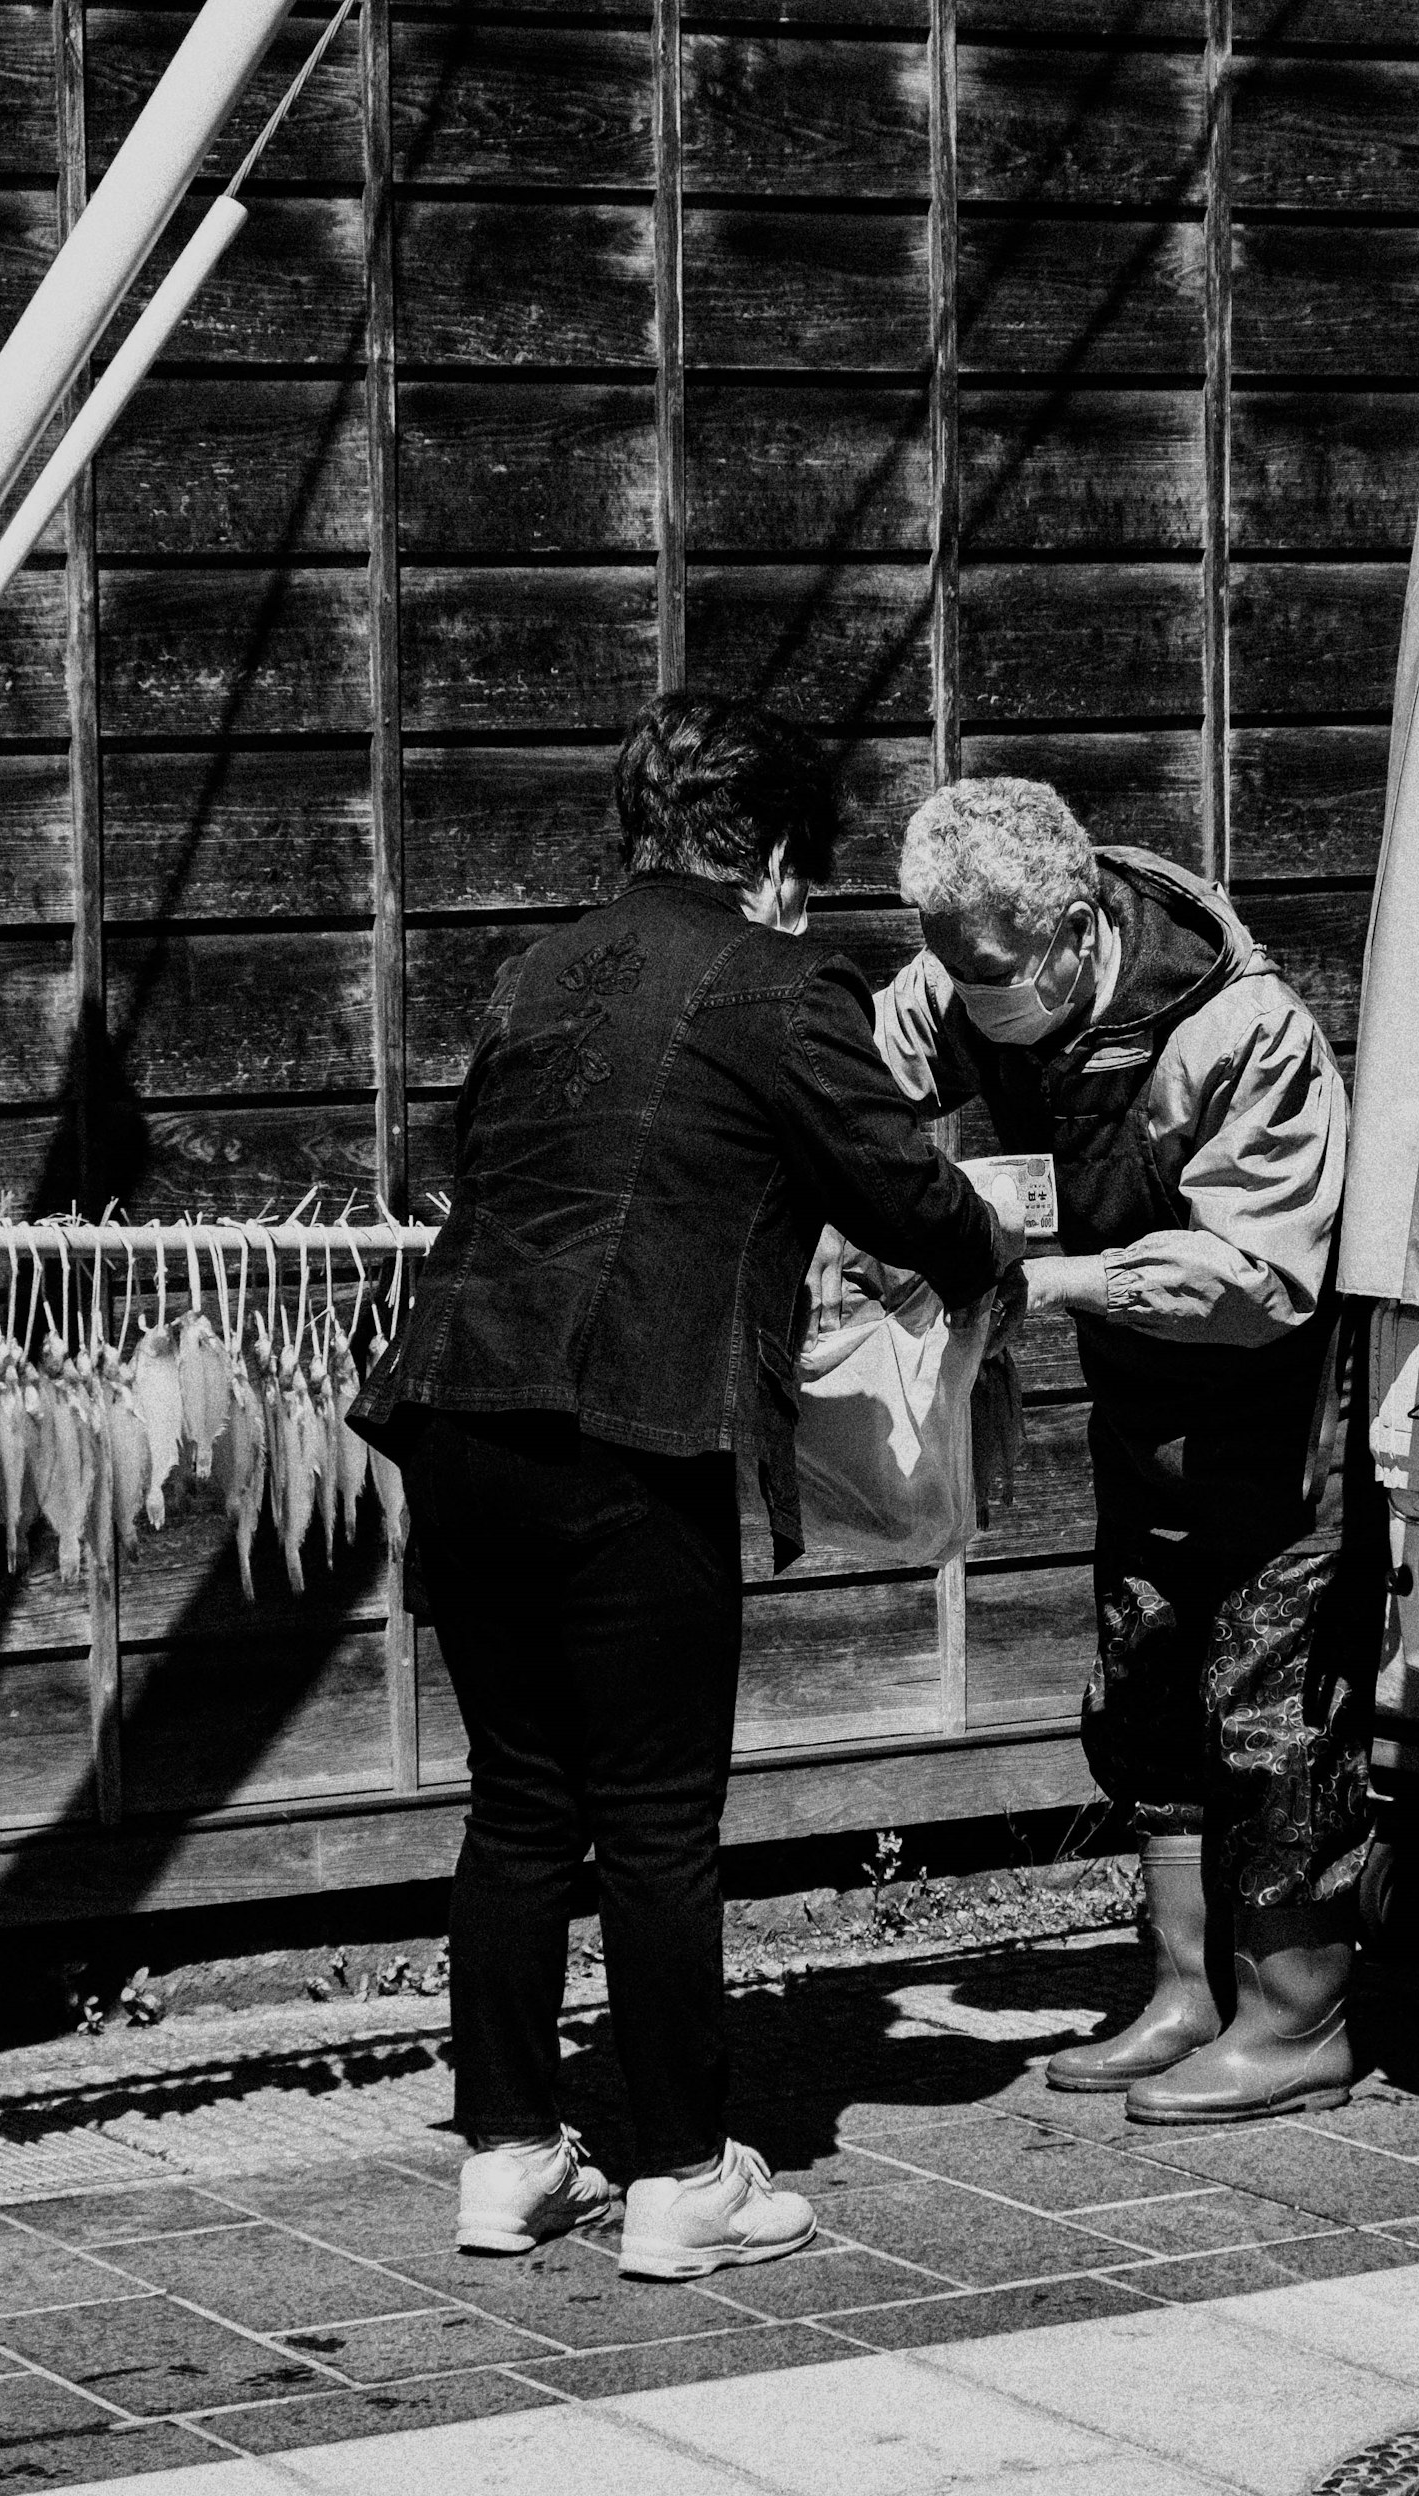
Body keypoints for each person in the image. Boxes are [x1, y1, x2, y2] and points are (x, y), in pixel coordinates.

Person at [353, 694, 1018, 2277]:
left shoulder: (532, 973)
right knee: (659, 1826)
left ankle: (510, 2158)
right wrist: (995, 1251)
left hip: (456, 1420)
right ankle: (679, 2181)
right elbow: (908, 1192)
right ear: (780, 857)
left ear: (634, 832)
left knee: (520, 1806)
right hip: (627, 1439)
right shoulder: (787, 984)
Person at [874, 777, 1376, 2124]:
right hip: (1139, 1396)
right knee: (1147, 1677)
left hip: (1273, 1401)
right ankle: (1183, 1992)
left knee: (1270, 1703)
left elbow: (1261, 1273)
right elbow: (865, 1085)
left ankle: (1298, 2022)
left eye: (992, 972)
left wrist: (1048, 1283)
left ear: (1076, 927)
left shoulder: (1242, 1032)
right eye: (950, 966)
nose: (969, 997)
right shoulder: (960, 971)